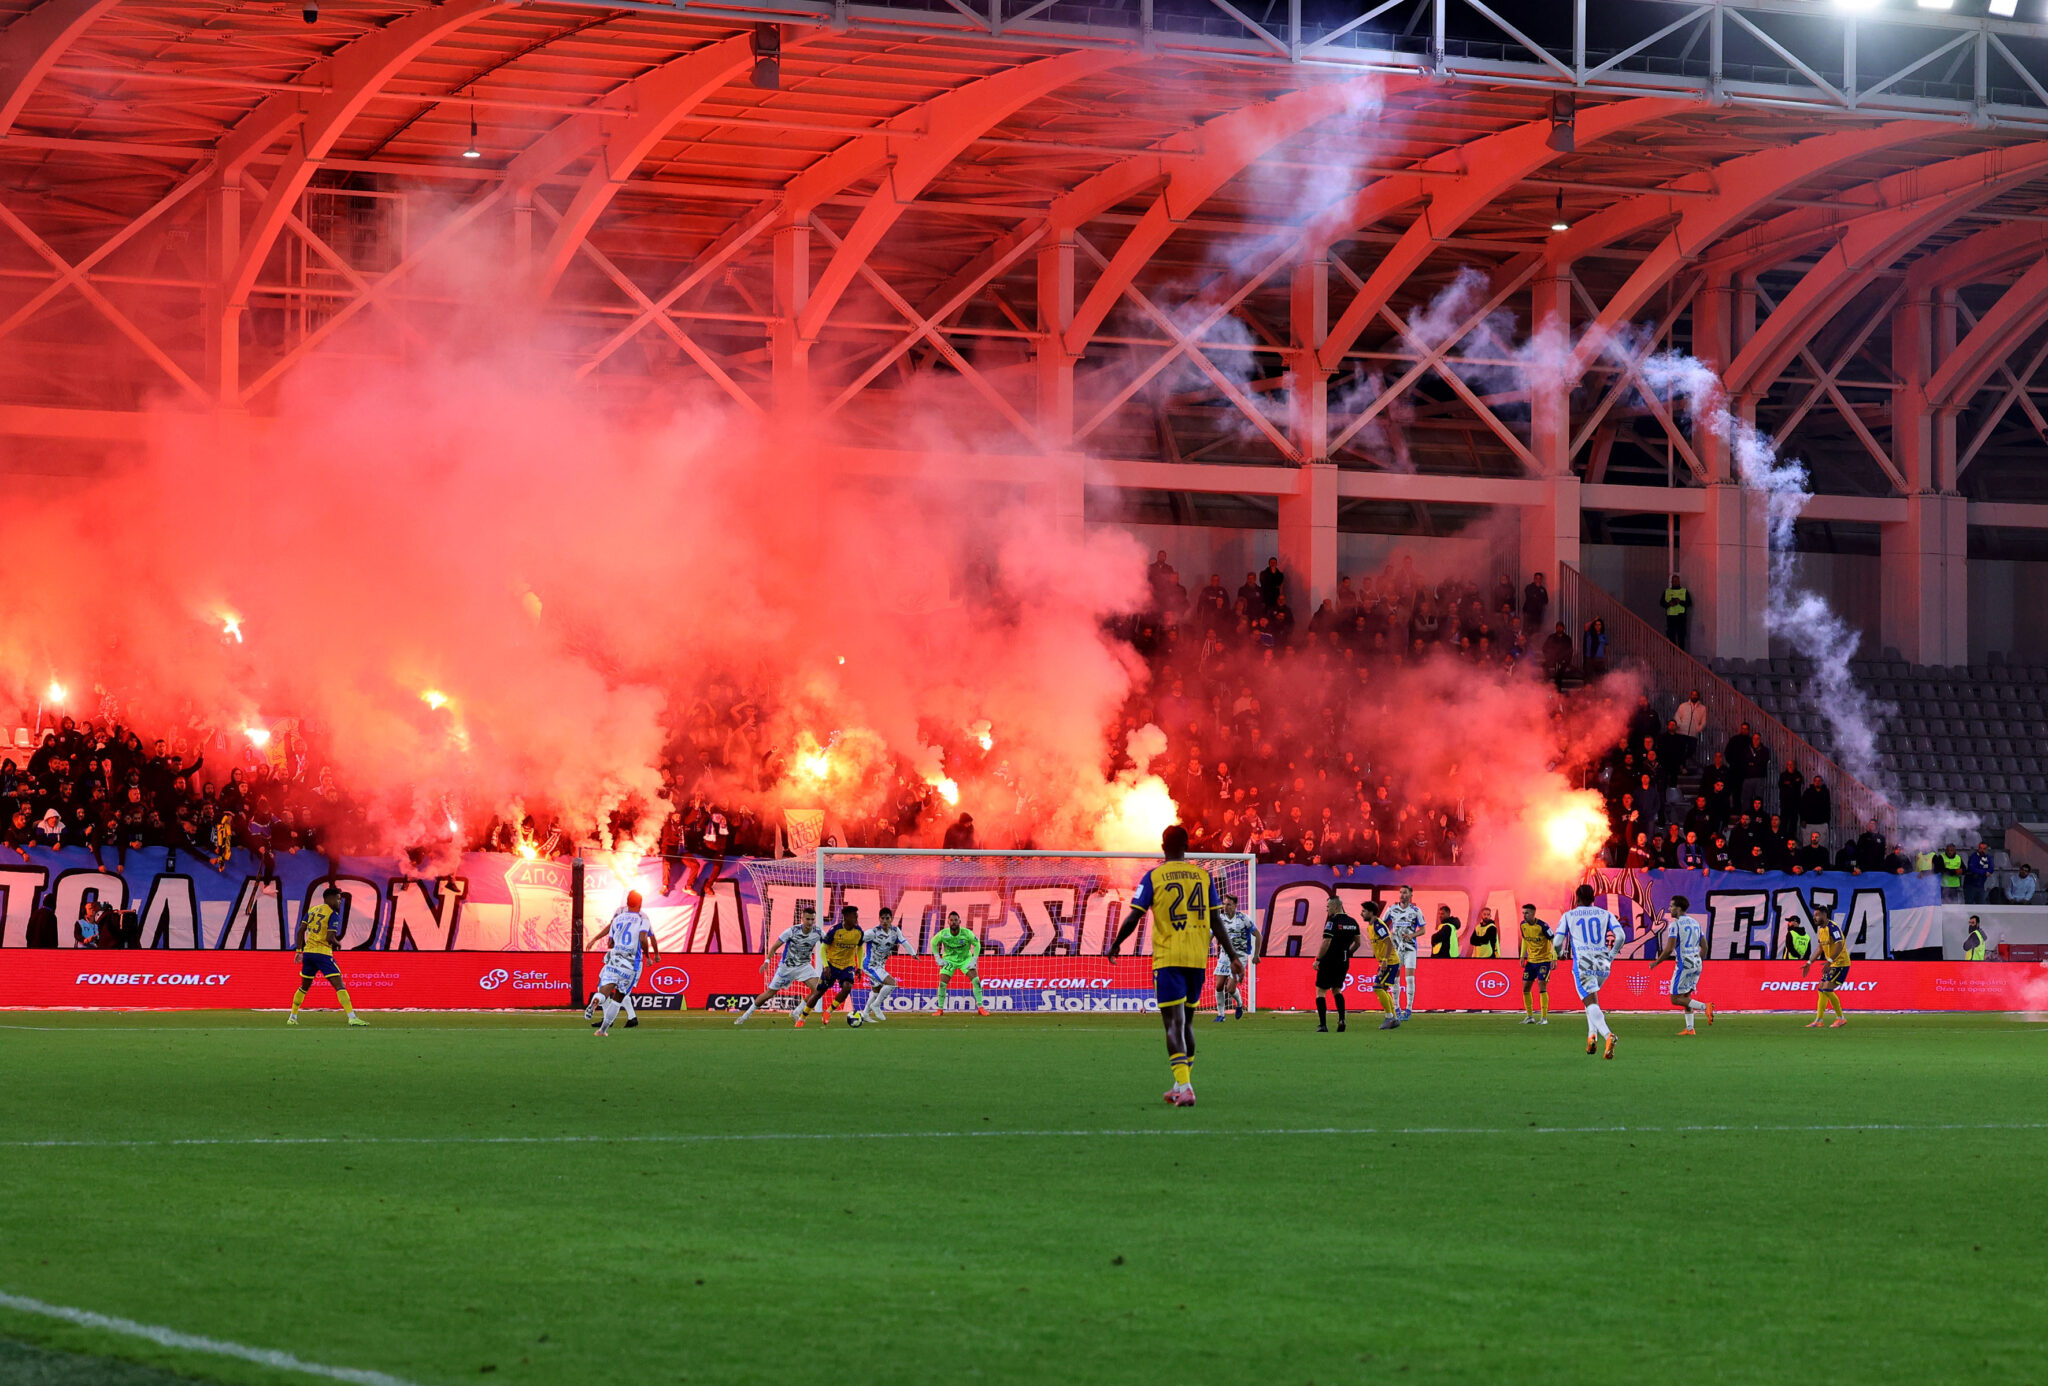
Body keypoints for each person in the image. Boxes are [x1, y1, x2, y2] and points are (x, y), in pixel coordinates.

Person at [1109, 825, 1247, 1106]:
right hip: (1197, 959)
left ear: (1162, 846)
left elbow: (1135, 916)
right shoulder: (1203, 876)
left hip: (1169, 958)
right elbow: (1216, 921)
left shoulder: (1154, 876)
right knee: (1187, 1024)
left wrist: (1116, 943)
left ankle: (1184, 1086)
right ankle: (1179, 1084)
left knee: (1173, 1023)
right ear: (1187, 845)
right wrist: (1232, 954)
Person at [1554, 883, 1619, 1059]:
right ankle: (1592, 1038)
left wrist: (1560, 954)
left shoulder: (1569, 915)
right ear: (1593, 898)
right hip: (1603, 961)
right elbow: (1621, 937)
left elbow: (1557, 942)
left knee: (1590, 1003)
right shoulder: (1605, 914)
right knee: (1592, 1001)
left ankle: (1608, 1035)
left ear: (1577, 898)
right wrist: (1611, 955)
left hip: (1583, 962)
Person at [287, 885, 366, 1027]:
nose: (339, 902)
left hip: (309, 954)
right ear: (329, 899)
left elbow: (300, 931)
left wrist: (299, 951)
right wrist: (338, 943)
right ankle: (352, 1017)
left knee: (304, 987)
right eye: (338, 899)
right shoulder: (332, 914)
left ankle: (292, 1017)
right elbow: (330, 937)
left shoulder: (311, 910)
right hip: (323, 954)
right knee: (339, 985)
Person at [735, 901, 825, 1025]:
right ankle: (745, 1016)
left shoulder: (818, 932)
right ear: (802, 918)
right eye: (808, 919)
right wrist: (767, 961)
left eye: (812, 919)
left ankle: (796, 1012)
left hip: (804, 966)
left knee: (818, 989)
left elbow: (829, 943)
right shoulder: (792, 931)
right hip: (786, 967)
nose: (810, 922)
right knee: (769, 994)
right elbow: (774, 947)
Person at [588, 890, 656, 1038]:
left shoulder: (618, 916)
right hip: (632, 961)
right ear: (640, 902)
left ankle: (601, 1003)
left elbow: (610, 940)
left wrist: (595, 939)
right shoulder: (643, 917)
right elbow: (647, 937)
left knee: (604, 987)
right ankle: (611, 1024)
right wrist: (651, 956)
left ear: (626, 901)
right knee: (620, 994)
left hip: (614, 957)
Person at [794, 904, 866, 1028]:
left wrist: (859, 966)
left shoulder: (858, 932)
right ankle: (802, 1018)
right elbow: (823, 948)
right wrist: (826, 966)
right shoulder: (835, 930)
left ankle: (828, 1011)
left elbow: (859, 948)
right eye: (855, 916)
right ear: (846, 917)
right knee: (818, 993)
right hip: (832, 966)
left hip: (847, 966)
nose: (857, 919)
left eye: (857, 916)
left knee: (847, 987)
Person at [1654, 895, 1714, 1036]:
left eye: (1671, 906)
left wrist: (1656, 962)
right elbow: (1704, 947)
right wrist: (1698, 961)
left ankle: (1705, 1007)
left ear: (1678, 908)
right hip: (1696, 962)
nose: (1670, 909)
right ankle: (1690, 1028)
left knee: (1675, 999)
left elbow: (1669, 949)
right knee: (1686, 996)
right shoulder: (1695, 923)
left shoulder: (1675, 924)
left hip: (1684, 964)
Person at [1310, 895, 1360, 1033]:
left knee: (1321, 991)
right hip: (1343, 961)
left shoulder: (1332, 922)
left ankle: (1323, 1025)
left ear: (1335, 906)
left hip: (1329, 960)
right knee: (1337, 989)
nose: (1327, 910)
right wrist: (1348, 953)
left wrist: (1318, 959)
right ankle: (1342, 1019)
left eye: (1328, 907)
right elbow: (1358, 943)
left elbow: (1326, 942)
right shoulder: (1353, 922)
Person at [1802, 902, 1851, 1029]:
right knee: (1821, 990)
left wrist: (1829, 961)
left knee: (1827, 989)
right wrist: (1809, 962)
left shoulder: (1833, 927)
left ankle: (1840, 1018)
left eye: (1817, 915)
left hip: (1840, 963)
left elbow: (1839, 945)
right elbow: (1820, 948)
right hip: (1832, 963)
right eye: (1814, 915)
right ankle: (1819, 1020)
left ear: (1824, 914)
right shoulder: (1821, 930)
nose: (1815, 917)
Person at [1212, 890, 1259, 1022]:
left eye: (1229, 905)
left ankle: (1239, 1004)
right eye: (1224, 904)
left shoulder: (1243, 919)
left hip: (1240, 956)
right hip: (1224, 955)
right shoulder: (1220, 919)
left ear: (1235, 906)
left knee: (1230, 988)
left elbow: (1258, 935)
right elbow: (1211, 934)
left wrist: (1256, 955)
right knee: (1219, 985)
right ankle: (1221, 1015)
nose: (1225, 907)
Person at [931, 910, 986, 1016]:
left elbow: (977, 944)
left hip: (965, 959)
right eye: (951, 920)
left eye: (956, 920)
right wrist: (937, 958)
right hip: (949, 960)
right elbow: (933, 942)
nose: (953, 922)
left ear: (960, 921)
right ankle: (940, 1009)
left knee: (976, 981)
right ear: (948, 922)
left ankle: (980, 1007)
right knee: (942, 984)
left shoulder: (967, 933)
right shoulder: (943, 934)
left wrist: (974, 959)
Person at [859, 906, 909, 1022]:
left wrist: (912, 953)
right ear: (879, 919)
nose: (884, 921)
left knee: (876, 991)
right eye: (882, 918)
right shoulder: (872, 932)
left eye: (887, 918)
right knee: (892, 984)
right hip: (870, 966)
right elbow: (858, 941)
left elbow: (904, 942)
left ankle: (865, 1013)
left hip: (880, 965)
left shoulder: (894, 931)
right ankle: (876, 1006)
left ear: (891, 919)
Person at [1382, 884, 1424, 1020]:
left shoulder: (1416, 911)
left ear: (1411, 895)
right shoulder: (1392, 909)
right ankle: (1397, 1008)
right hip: (1396, 948)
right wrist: (1388, 937)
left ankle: (1409, 1009)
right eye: (1401, 892)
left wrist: (1411, 936)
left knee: (1410, 978)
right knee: (1395, 978)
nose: (1402, 895)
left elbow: (1423, 930)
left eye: (1405, 893)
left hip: (1410, 948)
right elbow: (1382, 925)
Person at [1362, 901, 1403, 1030]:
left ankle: (1389, 1017)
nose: (1361, 913)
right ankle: (1394, 1018)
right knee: (1383, 989)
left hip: (1389, 962)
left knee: (1377, 987)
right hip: (1386, 961)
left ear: (1371, 912)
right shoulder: (1371, 926)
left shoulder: (1378, 925)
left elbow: (1389, 943)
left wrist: (1385, 959)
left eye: (1364, 911)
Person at [1518, 903, 1554, 1025]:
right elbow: (1524, 939)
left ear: (1533, 914)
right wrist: (1522, 956)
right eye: (1523, 913)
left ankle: (1544, 1018)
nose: (1524, 915)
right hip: (1531, 961)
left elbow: (1553, 940)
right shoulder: (1523, 925)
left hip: (1544, 960)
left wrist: (1554, 958)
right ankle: (1529, 1016)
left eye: (1526, 913)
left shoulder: (1543, 926)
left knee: (1542, 986)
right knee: (1525, 988)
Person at [1662, 573, 1690, 649]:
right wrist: (1669, 604)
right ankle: (1672, 654)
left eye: (1676, 581)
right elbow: (1662, 603)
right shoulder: (1667, 592)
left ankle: (1681, 654)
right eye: (1673, 581)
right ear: (1671, 582)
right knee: (1671, 637)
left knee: (1681, 637)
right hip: (1671, 618)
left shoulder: (1684, 591)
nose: (1675, 582)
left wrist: (1679, 601)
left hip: (1681, 617)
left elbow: (1689, 603)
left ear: (1679, 581)